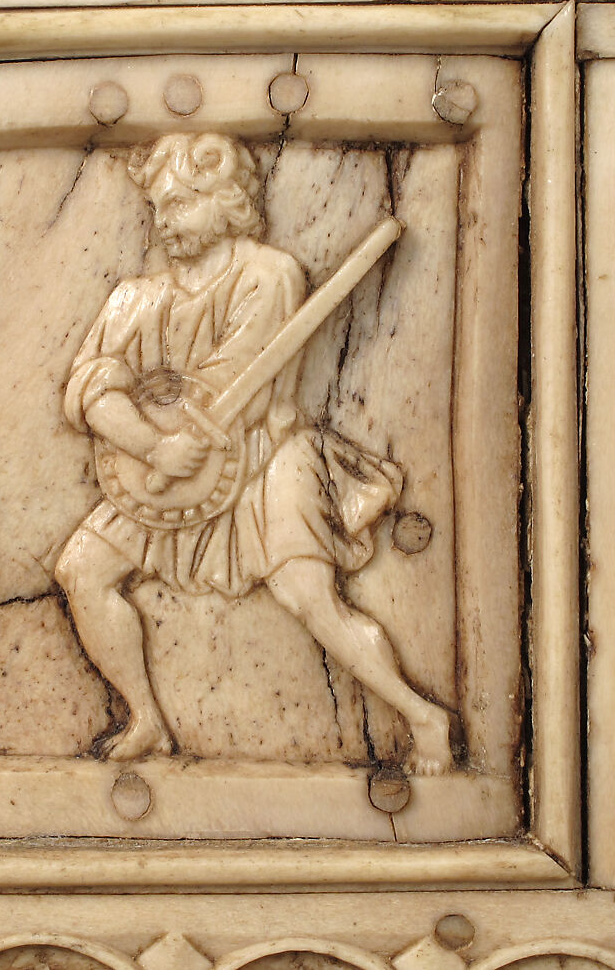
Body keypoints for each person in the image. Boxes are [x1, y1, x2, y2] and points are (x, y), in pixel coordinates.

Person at [55, 133, 451, 773]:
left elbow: (228, 387)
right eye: (157, 208)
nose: (164, 221)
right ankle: (147, 720)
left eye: (181, 204)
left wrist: (179, 439)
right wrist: (152, 445)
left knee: (310, 598)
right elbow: (92, 387)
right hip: (160, 469)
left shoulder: (268, 274)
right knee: (81, 570)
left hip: (264, 458)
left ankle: (422, 716)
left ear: (230, 202)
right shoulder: (135, 298)